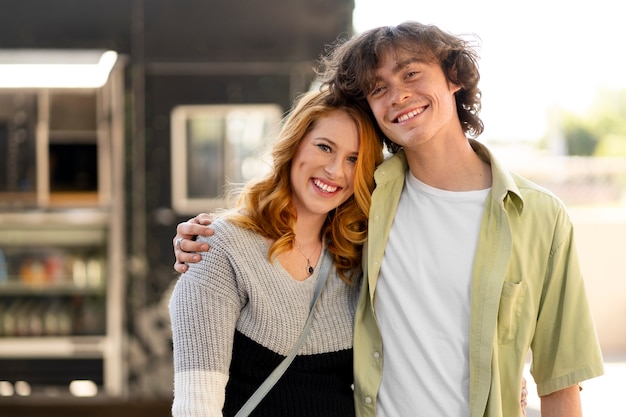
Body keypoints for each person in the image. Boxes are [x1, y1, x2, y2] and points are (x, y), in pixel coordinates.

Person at [173, 21, 602, 416]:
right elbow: (289, 223)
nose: (397, 94)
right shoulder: (365, 205)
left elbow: (561, 379)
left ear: (455, 77)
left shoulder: (539, 216)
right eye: (378, 88)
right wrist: (208, 240)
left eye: (411, 73)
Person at [168, 88, 384, 417]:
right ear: (294, 144)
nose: (335, 171)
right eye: (325, 147)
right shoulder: (220, 247)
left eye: (354, 159)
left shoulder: (359, 259)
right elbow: (196, 406)